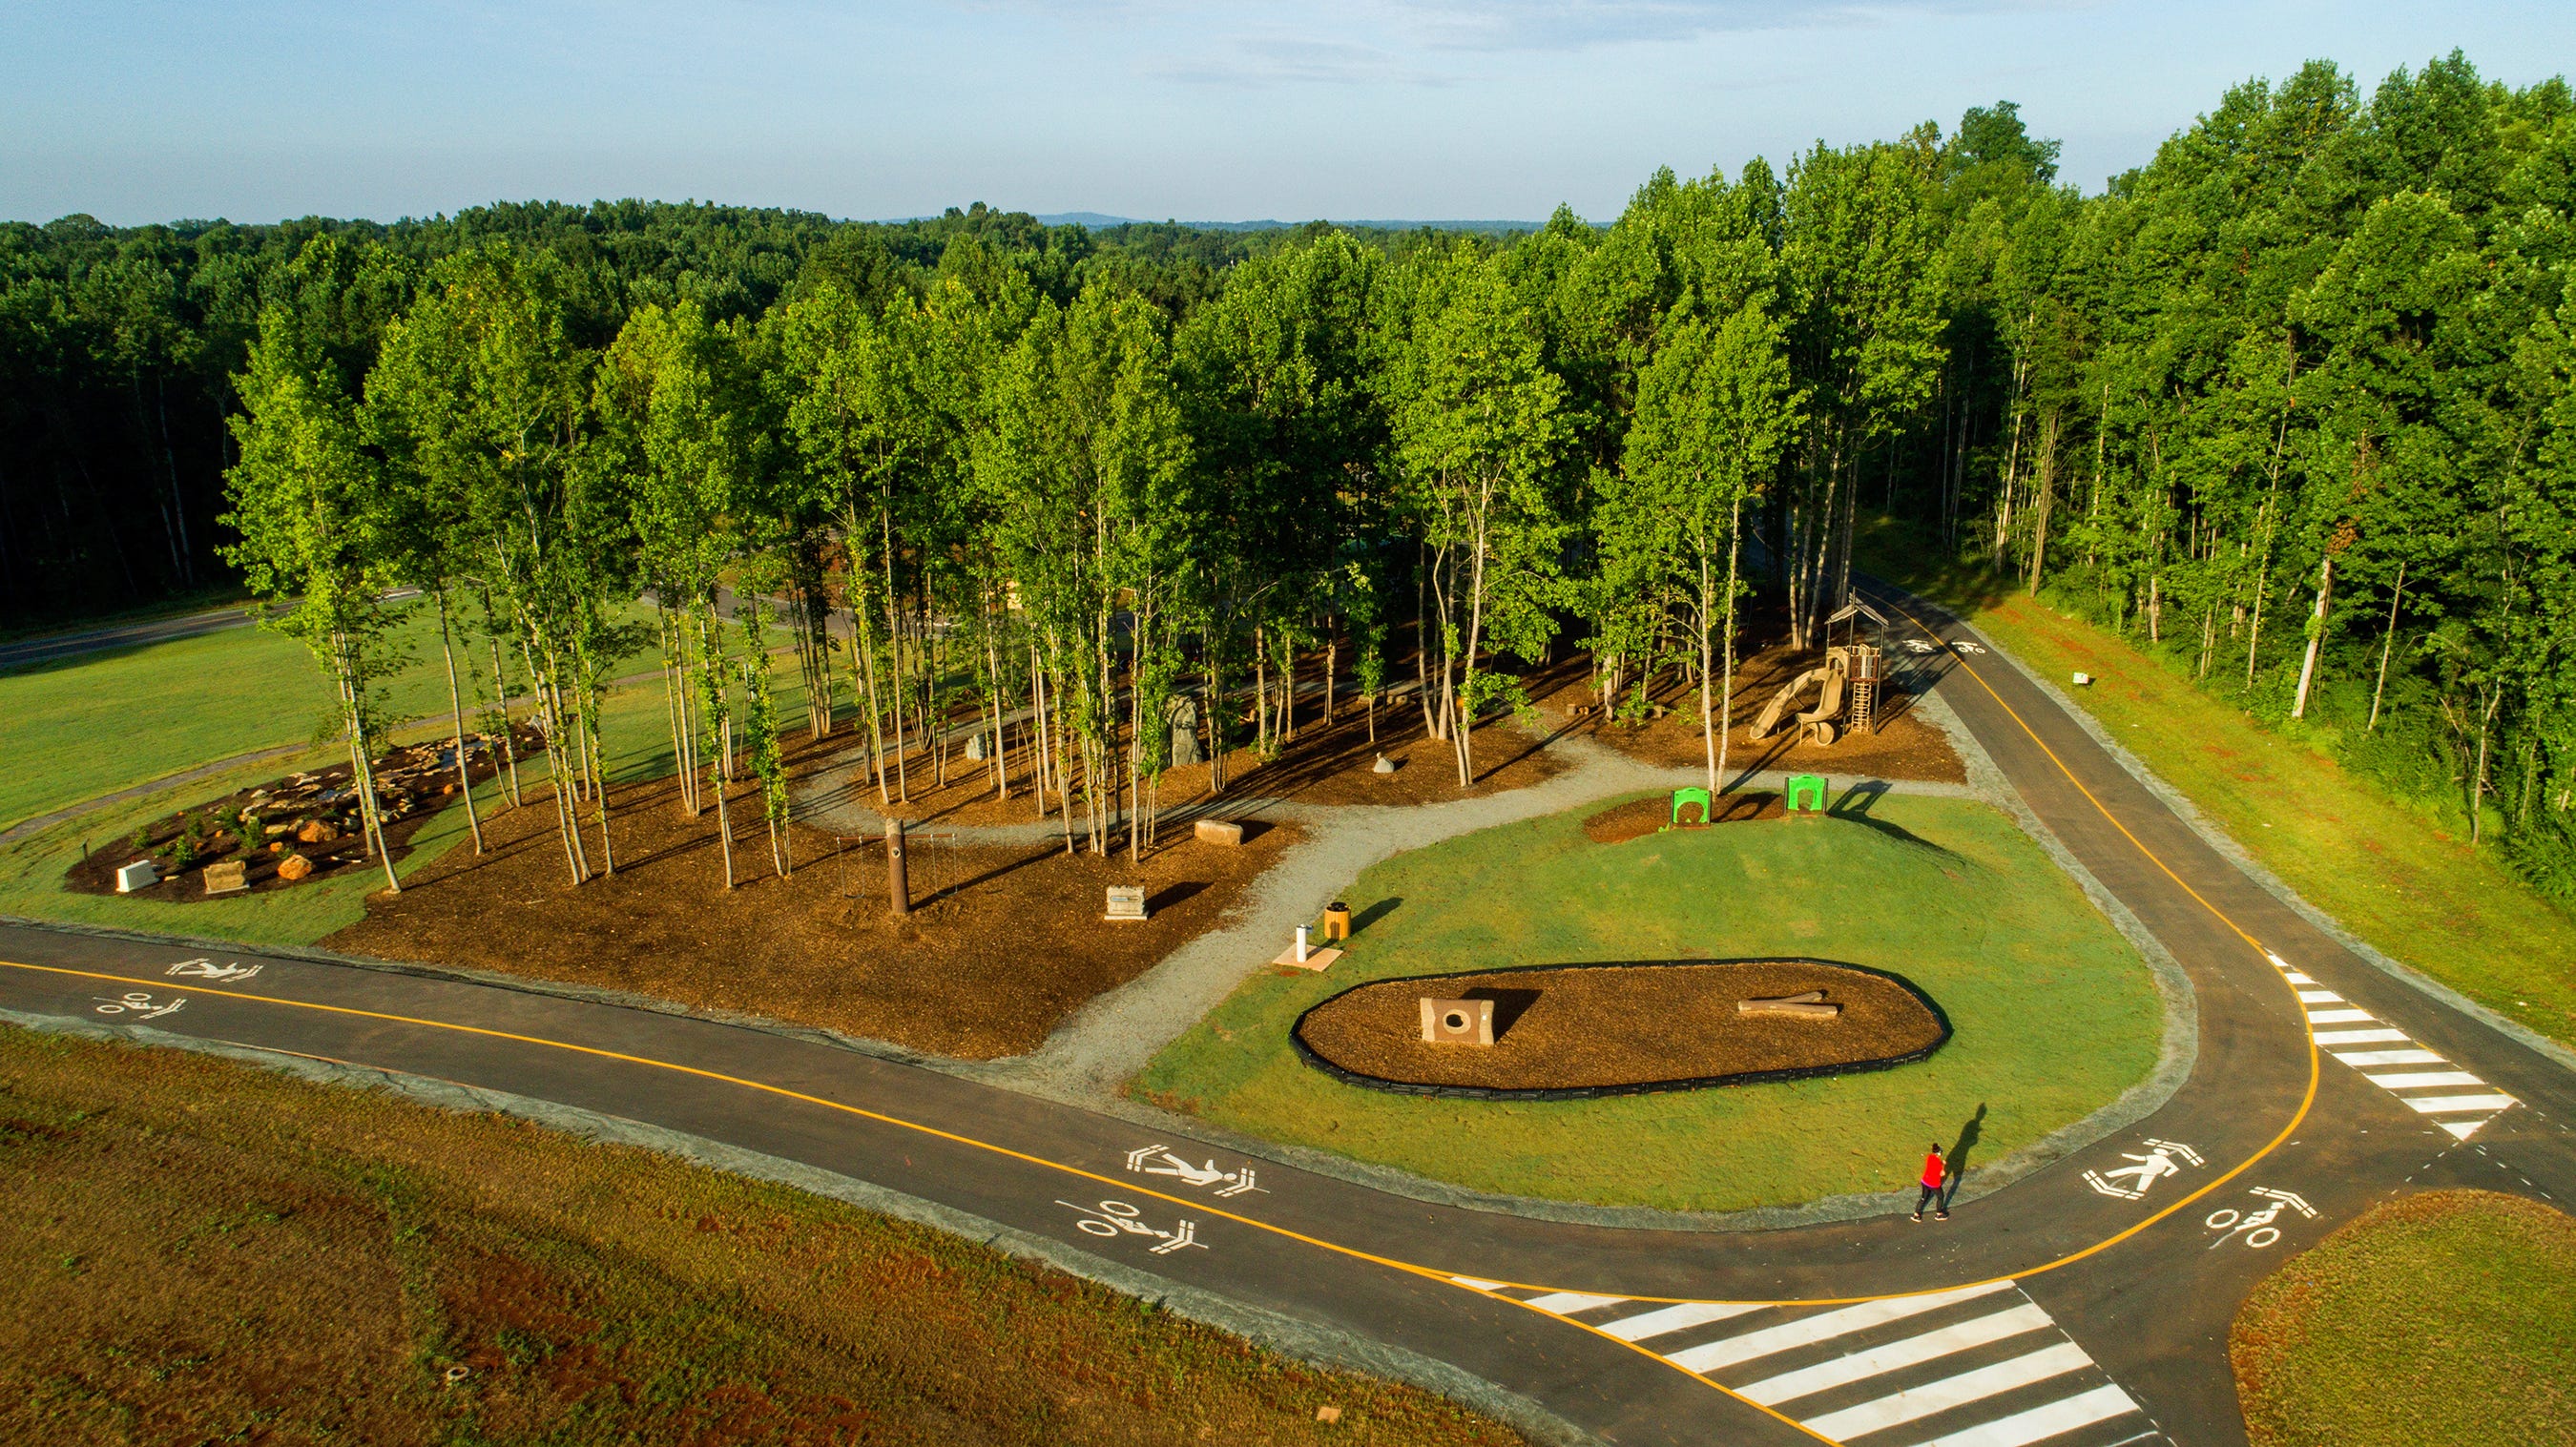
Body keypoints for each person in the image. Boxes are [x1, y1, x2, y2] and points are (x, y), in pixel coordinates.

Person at [1912, 1143, 1948, 1222]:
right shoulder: (1938, 1165)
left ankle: (1916, 1214)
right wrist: (1944, 1165)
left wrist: (1941, 1163)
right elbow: (1942, 1174)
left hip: (1925, 1181)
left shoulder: (1930, 1157)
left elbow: (1935, 1163)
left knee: (1923, 1198)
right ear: (1939, 1153)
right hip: (1933, 1184)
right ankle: (1939, 1214)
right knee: (1940, 1197)